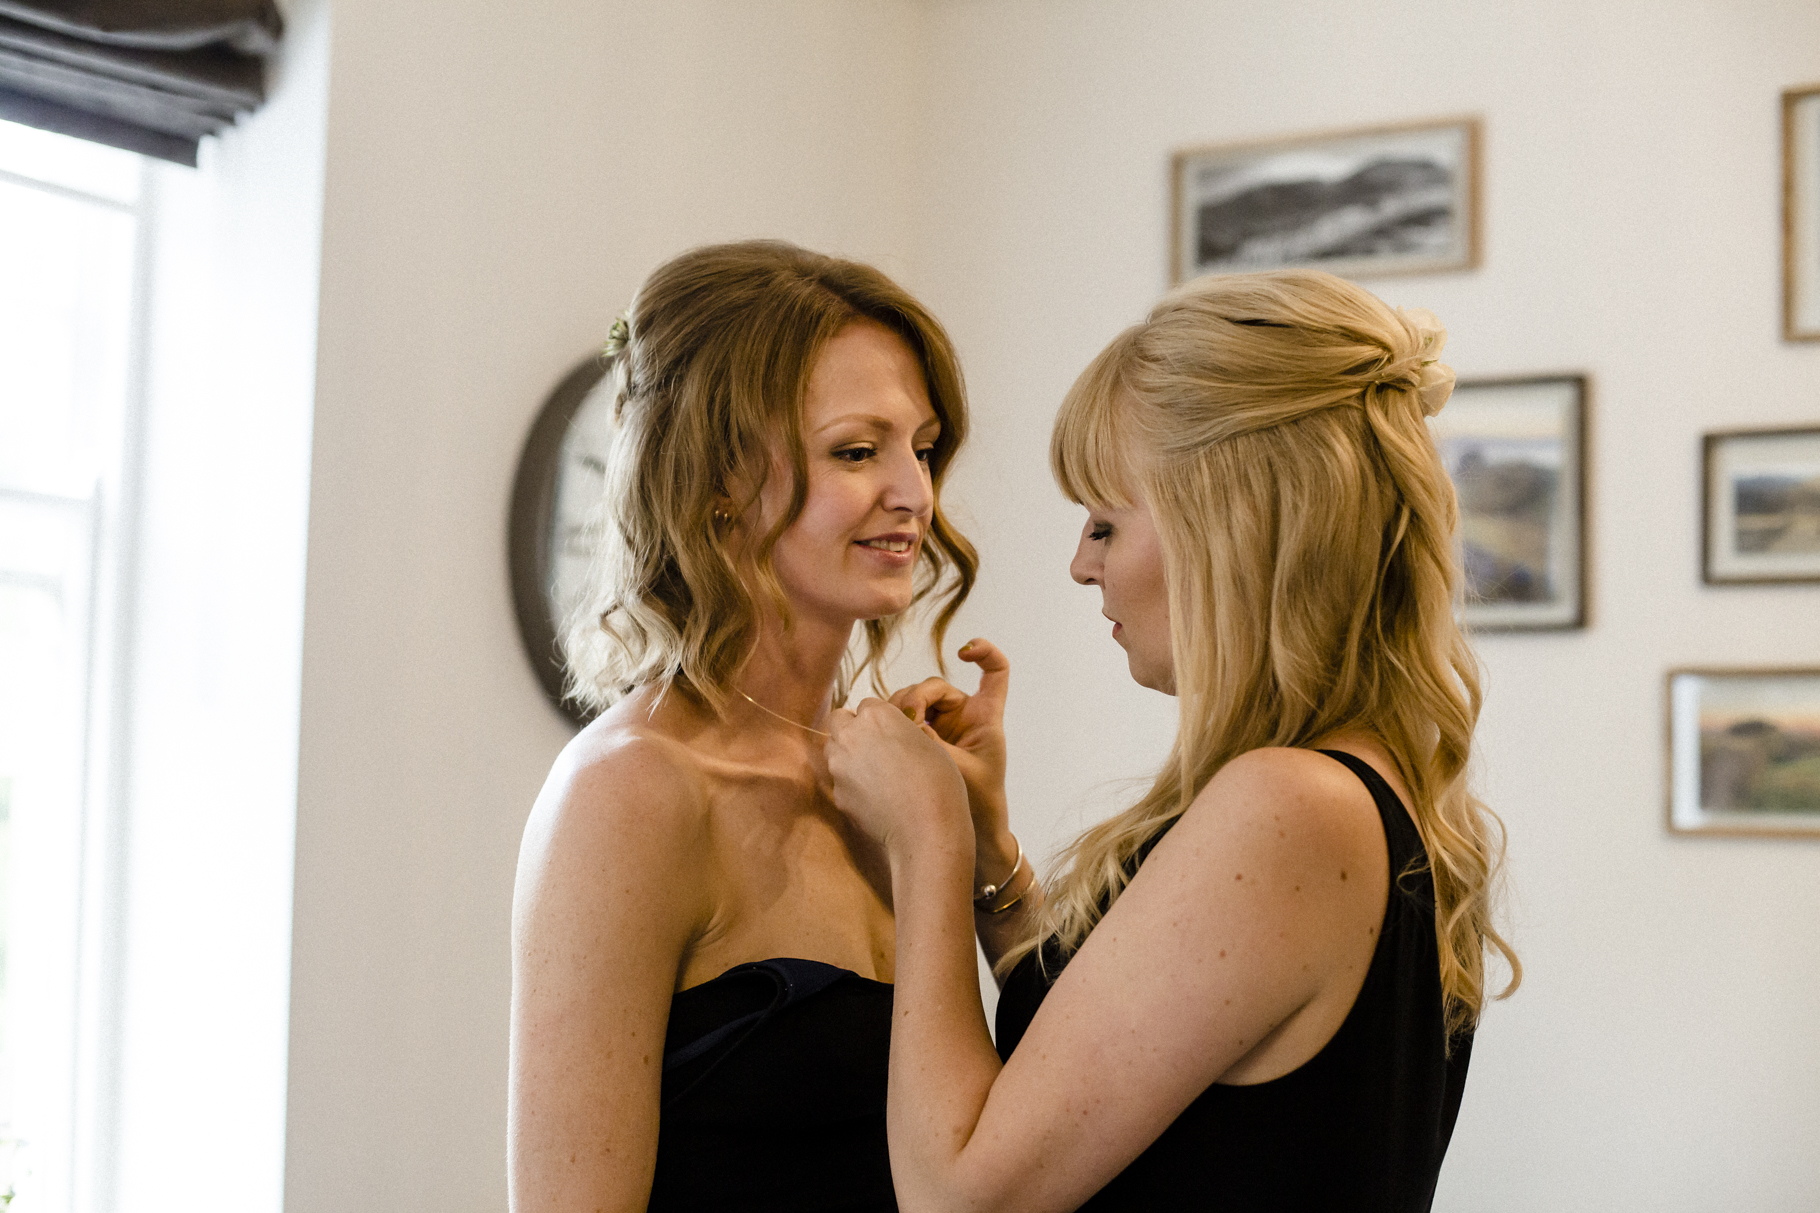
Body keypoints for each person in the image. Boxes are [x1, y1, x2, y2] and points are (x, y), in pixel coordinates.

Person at [825, 269, 1522, 1213]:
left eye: (1106, 524)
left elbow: (959, 1197)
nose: (1082, 564)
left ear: (1228, 524)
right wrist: (989, 851)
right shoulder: (1360, 786)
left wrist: (926, 838)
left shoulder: (1293, 808)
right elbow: (1119, 1074)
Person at [506, 240, 986, 1212]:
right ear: (717, 479)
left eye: (922, 447)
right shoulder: (631, 790)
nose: (914, 493)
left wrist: (981, 846)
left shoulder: (893, 780)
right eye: (858, 450)